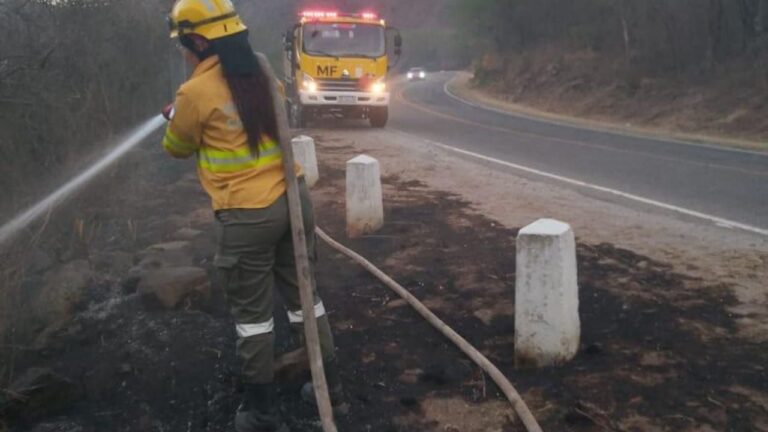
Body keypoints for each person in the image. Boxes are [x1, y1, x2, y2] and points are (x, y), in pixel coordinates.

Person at [163, 1, 342, 431]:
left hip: (247, 215)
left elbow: (177, 147)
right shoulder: (260, 69)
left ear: (200, 40)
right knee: (305, 297)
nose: (184, 53)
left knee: (253, 317)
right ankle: (329, 388)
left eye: (184, 44)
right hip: (293, 199)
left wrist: (173, 118)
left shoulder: (194, 93)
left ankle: (262, 414)